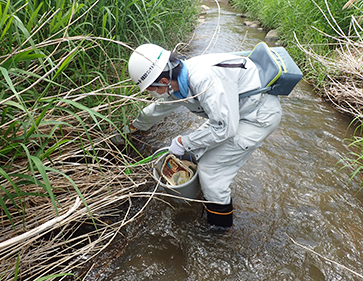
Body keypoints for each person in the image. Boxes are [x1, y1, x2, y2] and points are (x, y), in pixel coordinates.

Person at [120, 43, 282, 228]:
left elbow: (224, 129)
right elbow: (159, 108)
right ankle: (207, 200)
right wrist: (131, 127)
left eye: (151, 89)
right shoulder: (178, 80)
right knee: (197, 153)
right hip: (233, 111)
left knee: (211, 171)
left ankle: (220, 231)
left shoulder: (203, 79)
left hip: (257, 116)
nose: (152, 94)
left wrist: (183, 142)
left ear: (163, 82)